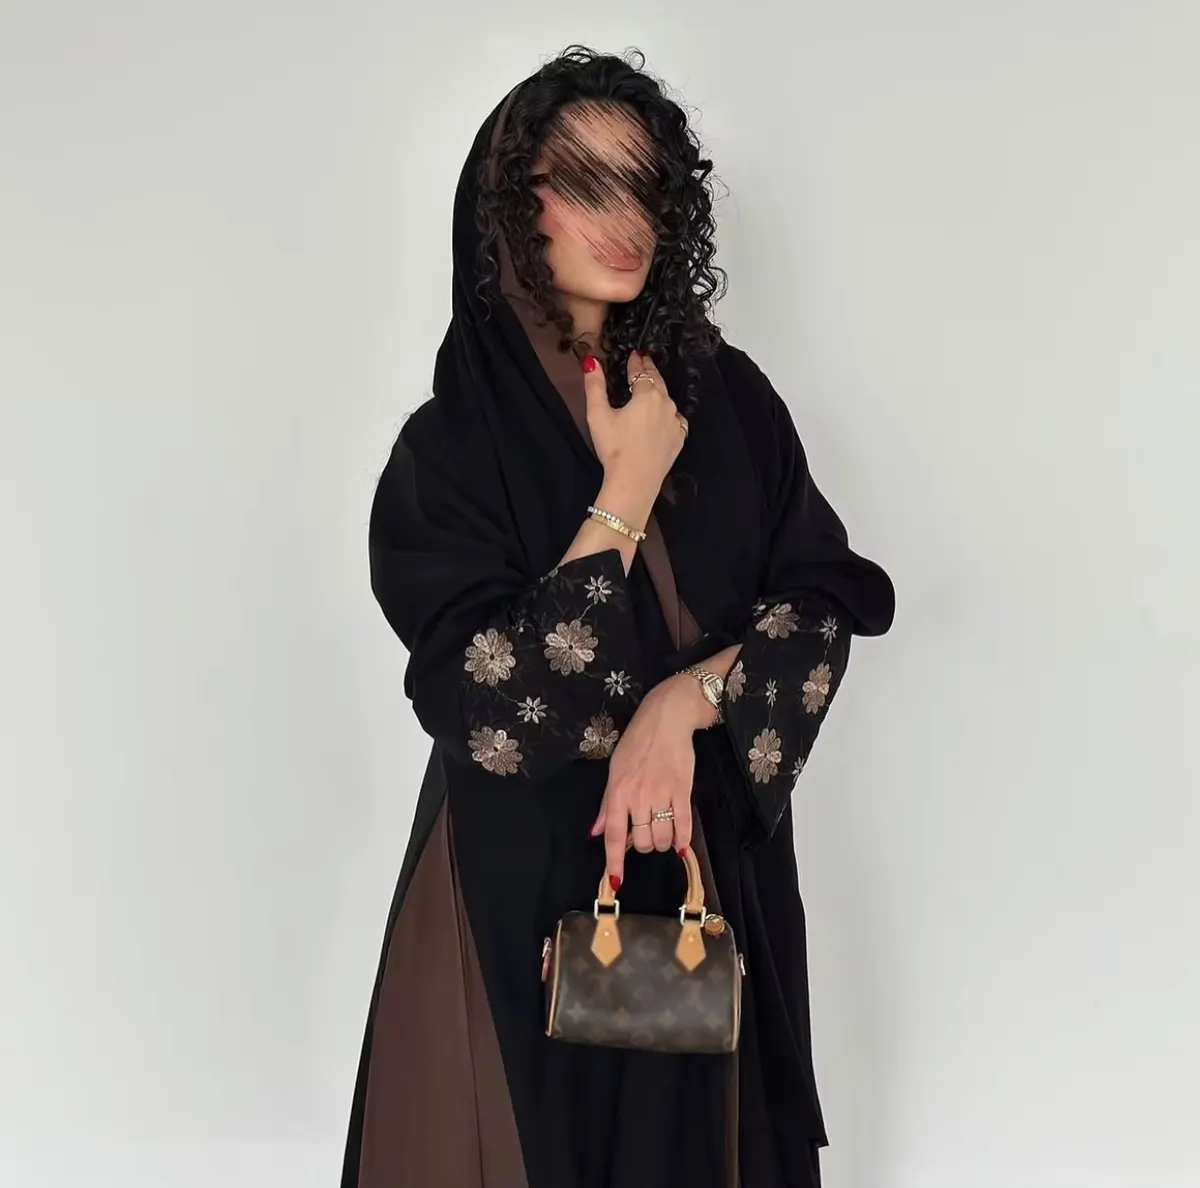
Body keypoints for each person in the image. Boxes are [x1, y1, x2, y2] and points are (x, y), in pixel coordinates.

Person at [341, 45, 895, 1188]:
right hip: (513, 907)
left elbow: (829, 604)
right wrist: (627, 490)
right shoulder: (447, 452)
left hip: (705, 891)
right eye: (584, 182)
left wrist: (681, 708)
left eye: (643, 184)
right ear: (509, 206)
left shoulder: (730, 402)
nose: (623, 216)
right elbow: (500, 718)